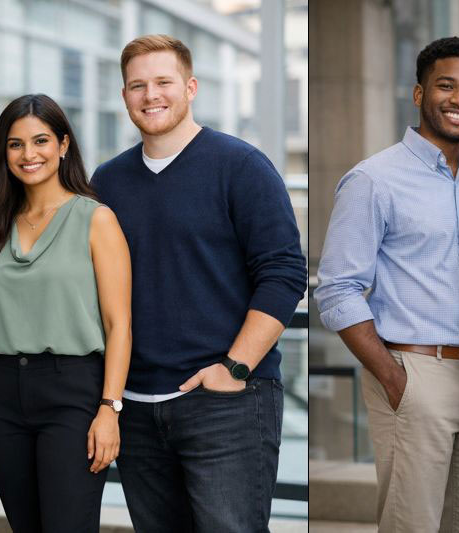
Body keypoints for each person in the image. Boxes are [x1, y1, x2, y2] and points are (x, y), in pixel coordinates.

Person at [91, 34, 308, 532]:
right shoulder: (107, 182)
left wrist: (234, 368)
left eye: (163, 82)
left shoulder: (241, 167)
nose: (151, 96)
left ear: (190, 87)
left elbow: (283, 273)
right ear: (124, 96)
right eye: (137, 86)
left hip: (225, 403)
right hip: (137, 408)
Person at [314, 36, 459, 532]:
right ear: (419, 95)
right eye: (447, 86)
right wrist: (395, 378)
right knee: (411, 524)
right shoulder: (374, 180)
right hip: (415, 369)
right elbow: (336, 289)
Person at [0, 93, 132, 532]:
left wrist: (109, 409)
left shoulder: (97, 220)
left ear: (63, 145)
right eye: (16, 144)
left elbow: (120, 325)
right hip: (1, 395)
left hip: (72, 392)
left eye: (40, 141)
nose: (29, 154)